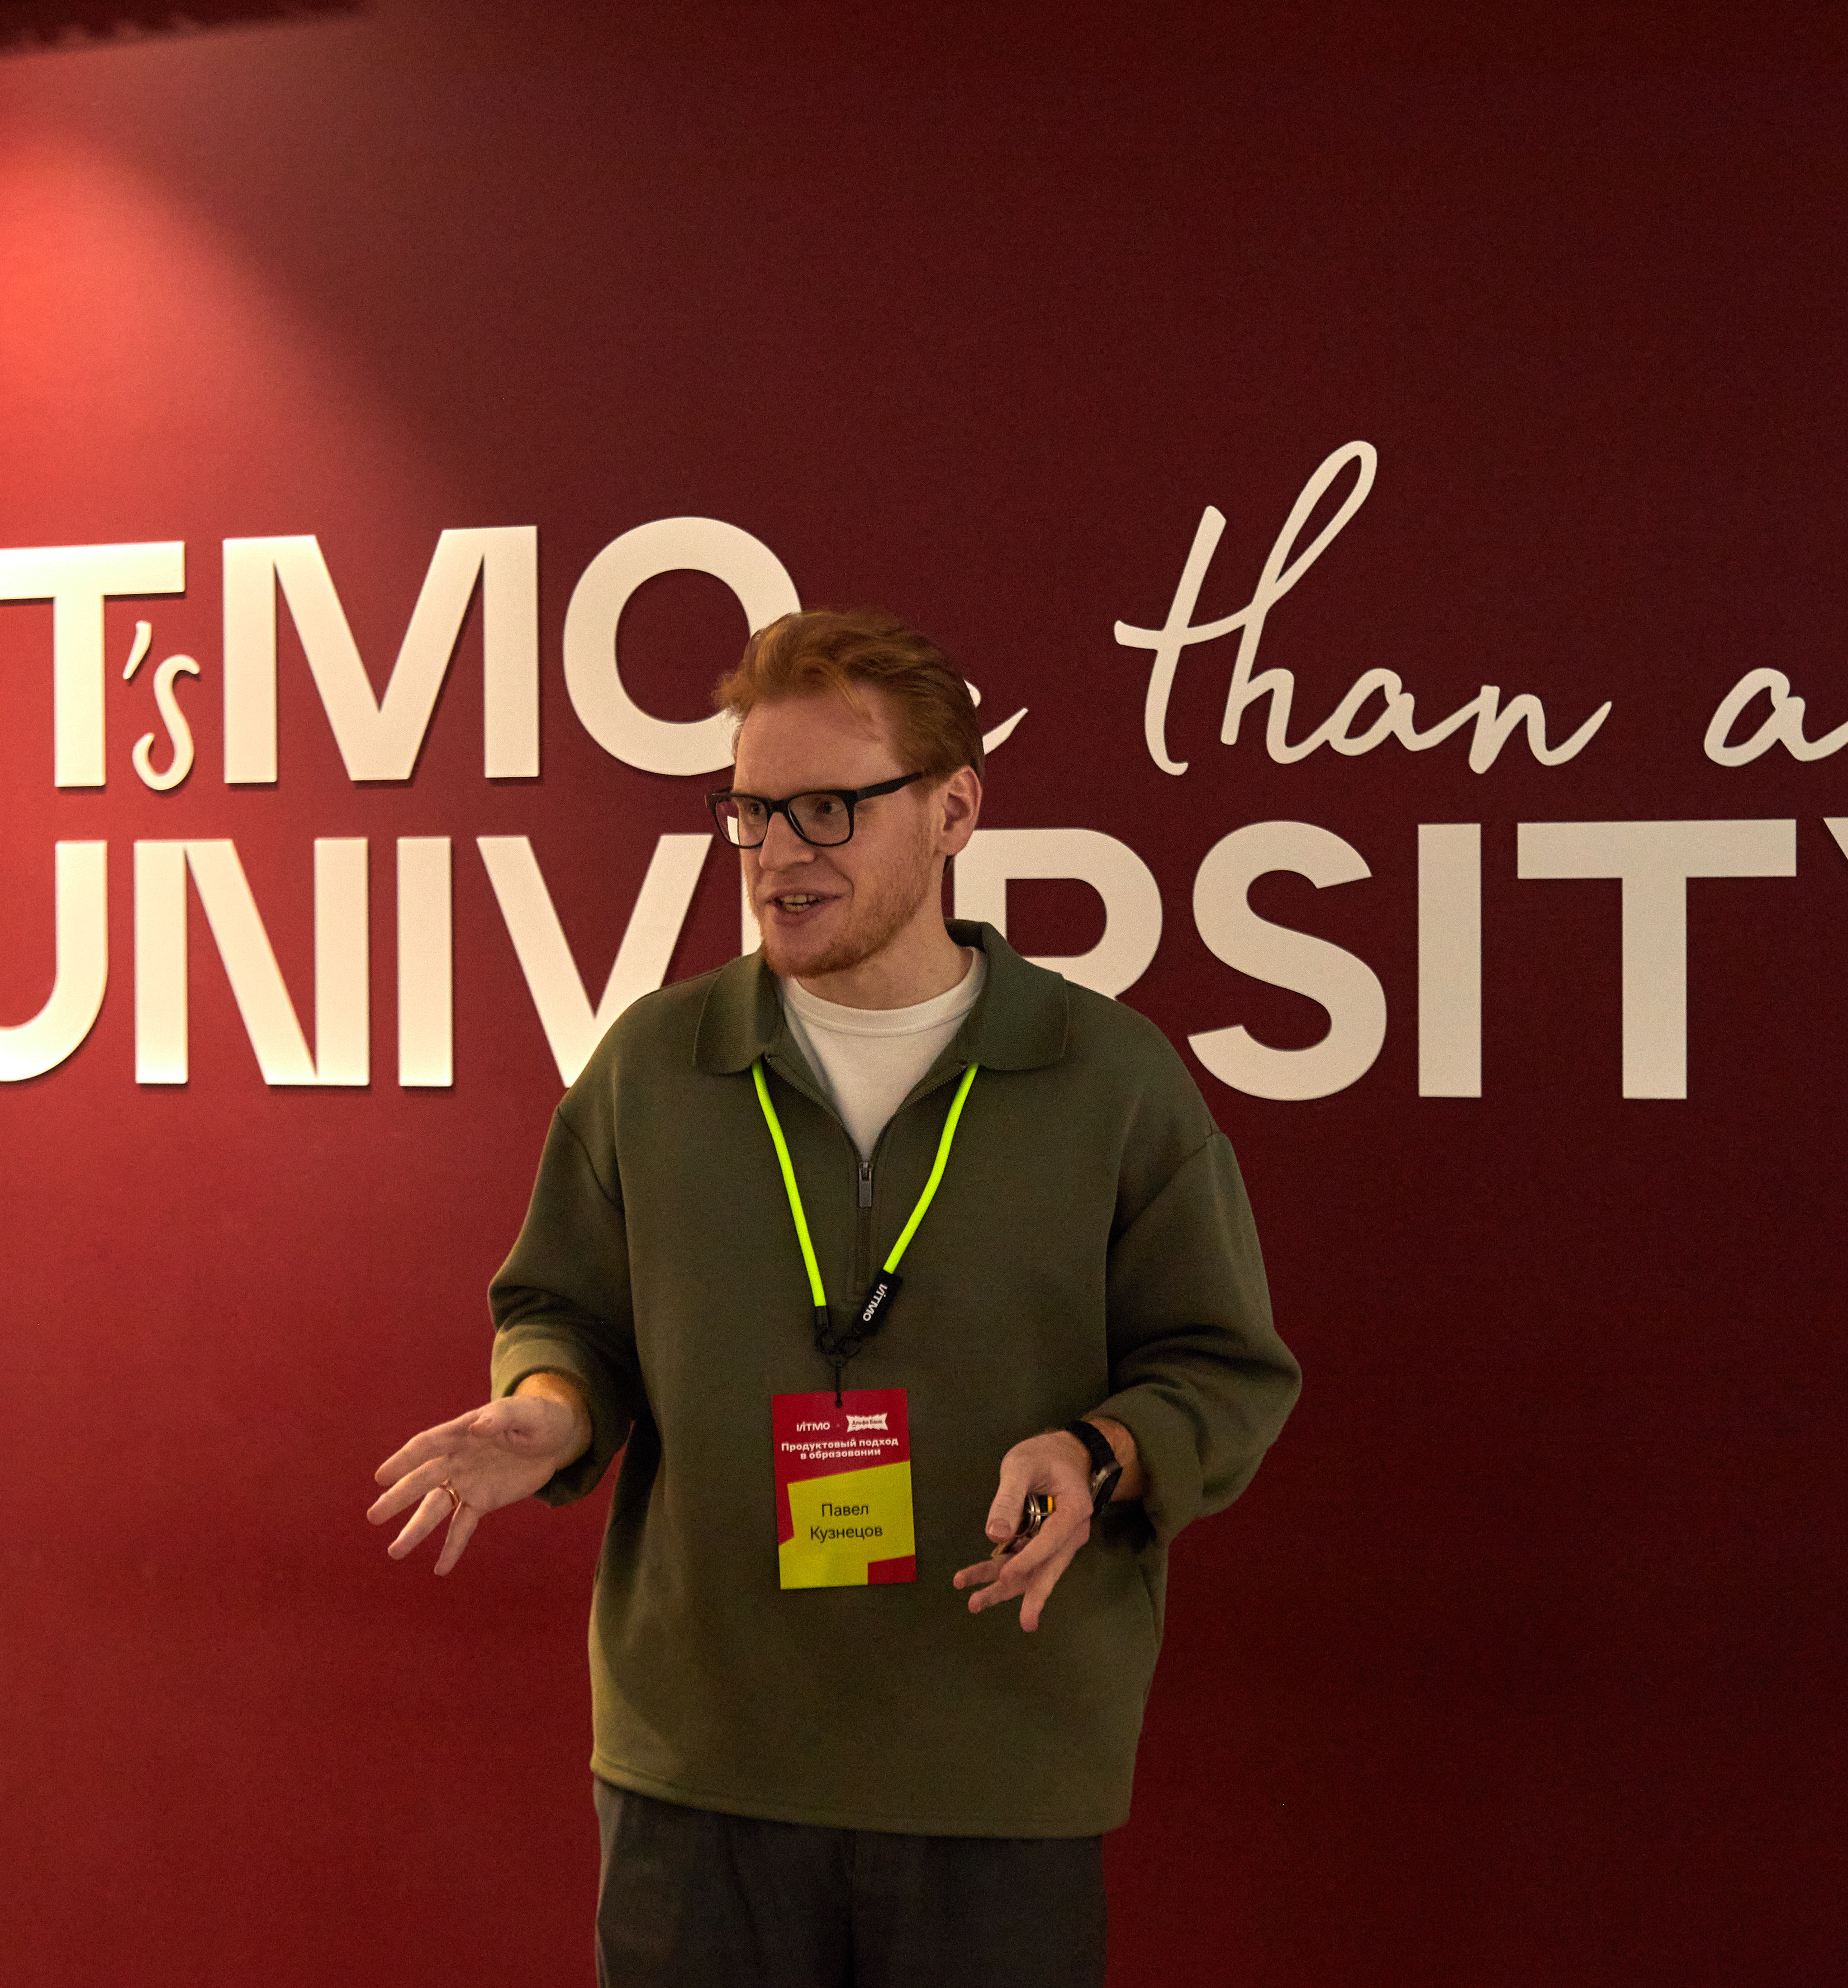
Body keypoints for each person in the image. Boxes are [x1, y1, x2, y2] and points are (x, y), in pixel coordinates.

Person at [370, 608, 1299, 1988]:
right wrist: (551, 1403)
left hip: (992, 1767)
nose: (775, 853)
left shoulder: (1105, 1076)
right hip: (704, 1767)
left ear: (953, 810)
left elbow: (1221, 1369)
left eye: (825, 809)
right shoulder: (657, 1063)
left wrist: (1100, 1451)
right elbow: (566, 1305)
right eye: (749, 812)